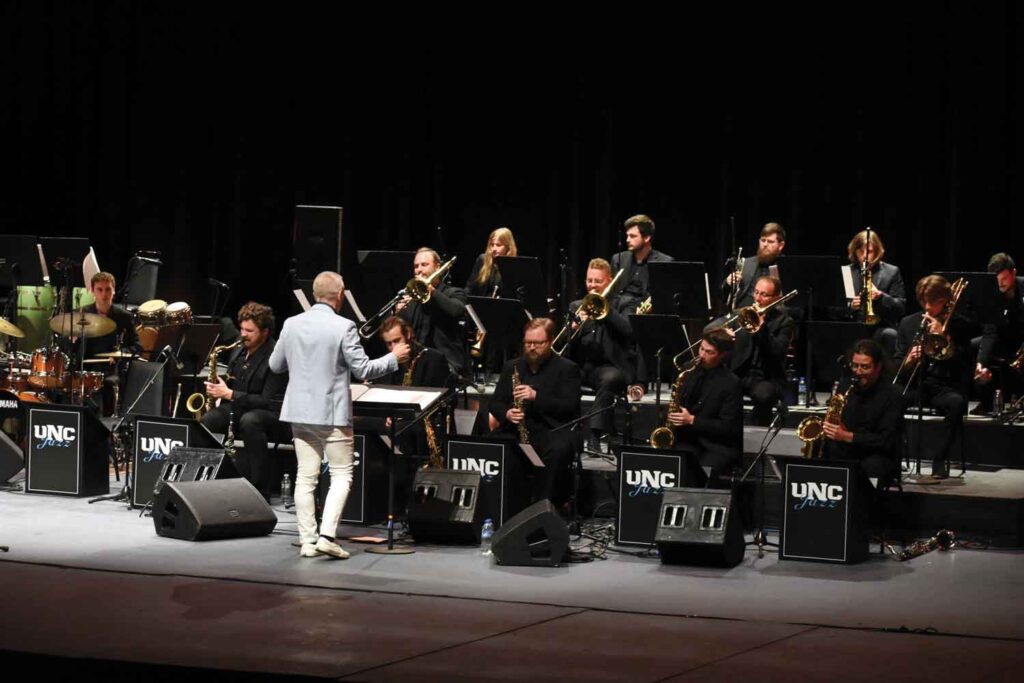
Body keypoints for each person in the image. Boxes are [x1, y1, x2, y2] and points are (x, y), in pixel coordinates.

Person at [270, 271, 410, 559]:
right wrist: (394, 359)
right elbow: (363, 370)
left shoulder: (292, 323)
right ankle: (327, 536)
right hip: (331, 414)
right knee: (342, 475)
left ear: (314, 294)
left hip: (299, 412)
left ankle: (308, 541)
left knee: (305, 478)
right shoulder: (344, 326)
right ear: (341, 295)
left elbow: (275, 365)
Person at [200, 302, 289, 502]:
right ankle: (214, 479)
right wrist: (218, 389)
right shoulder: (239, 349)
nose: (243, 334)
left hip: (273, 414)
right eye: (242, 329)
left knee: (250, 421)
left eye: (250, 330)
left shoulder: (275, 357)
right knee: (208, 421)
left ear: (265, 332)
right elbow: (233, 383)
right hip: (241, 406)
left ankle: (259, 490)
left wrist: (230, 394)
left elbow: (266, 400)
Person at [488, 318, 582, 506]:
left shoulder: (567, 369)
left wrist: (536, 397)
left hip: (550, 431)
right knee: (492, 446)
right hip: (516, 432)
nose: (531, 348)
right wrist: (507, 413)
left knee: (557, 451)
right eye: (528, 343)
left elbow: (570, 407)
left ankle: (542, 508)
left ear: (550, 342)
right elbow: (495, 403)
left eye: (538, 343)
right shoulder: (512, 367)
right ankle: (500, 507)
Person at [894, 275, 970, 480]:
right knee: (891, 398)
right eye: (923, 302)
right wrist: (909, 360)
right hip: (917, 383)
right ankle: (895, 456)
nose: (928, 307)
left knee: (956, 404)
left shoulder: (961, 325)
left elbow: (963, 364)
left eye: (933, 302)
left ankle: (940, 459)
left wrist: (944, 338)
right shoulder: (908, 323)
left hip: (944, 386)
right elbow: (897, 366)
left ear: (945, 300)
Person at [561, 258, 636, 453]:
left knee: (610, 381)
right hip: (581, 364)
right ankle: (566, 433)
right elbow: (564, 344)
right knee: (561, 376)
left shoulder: (624, 303)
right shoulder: (576, 306)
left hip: (609, 366)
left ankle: (594, 437)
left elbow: (628, 330)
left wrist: (605, 309)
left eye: (597, 281)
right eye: (589, 280)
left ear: (609, 281)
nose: (592, 285)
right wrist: (575, 327)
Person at [822, 339, 905, 488]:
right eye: (855, 365)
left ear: (878, 367)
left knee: (871, 466)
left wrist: (847, 436)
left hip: (878, 454)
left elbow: (885, 441)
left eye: (865, 367)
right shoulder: (845, 385)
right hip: (849, 448)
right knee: (826, 454)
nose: (858, 372)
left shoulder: (893, 395)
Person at [666, 328, 743, 483]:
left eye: (709, 352)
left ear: (722, 355)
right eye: (701, 349)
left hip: (717, 446)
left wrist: (692, 420)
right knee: (672, 466)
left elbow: (729, 429)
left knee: (699, 473)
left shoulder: (731, 383)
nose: (701, 355)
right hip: (689, 440)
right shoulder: (689, 370)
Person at [728, 275, 797, 426]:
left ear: (776, 298)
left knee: (764, 396)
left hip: (766, 377)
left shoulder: (785, 322)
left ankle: (757, 428)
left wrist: (762, 327)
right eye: (756, 292)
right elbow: (711, 328)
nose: (757, 299)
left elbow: (778, 352)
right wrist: (722, 334)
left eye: (764, 295)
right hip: (740, 372)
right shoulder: (741, 314)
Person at [396, 247, 469, 377]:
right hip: (415, 361)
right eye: (416, 266)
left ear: (437, 267)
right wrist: (398, 313)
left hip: (445, 361)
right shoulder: (412, 297)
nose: (419, 270)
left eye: (424, 265)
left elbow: (457, 311)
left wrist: (431, 290)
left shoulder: (453, 292)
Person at [843, 229, 906, 354]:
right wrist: (850, 306)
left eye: (870, 252)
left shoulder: (891, 272)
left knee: (891, 335)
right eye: (861, 251)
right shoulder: (847, 272)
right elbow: (832, 308)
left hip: (881, 326)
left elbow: (901, 307)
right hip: (852, 325)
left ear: (877, 251)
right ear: (854, 252)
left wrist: (881, 297)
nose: (865, 256)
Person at [975, 253, 1024, 413]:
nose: (1000, 284)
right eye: (996, 279)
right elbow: (990, 330)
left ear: (1014, 273)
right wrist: (981, 361)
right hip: (1002, 337)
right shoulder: (992, 293)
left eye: (1004, 279)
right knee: (973, 348)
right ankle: (986, 401)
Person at [609, 214, 674, 315]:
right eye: (627, 235)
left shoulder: (664, 261)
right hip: (620, 311)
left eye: (633, 236)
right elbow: (613, 293)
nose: (627, 240)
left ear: (647, 238)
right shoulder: (618, 259)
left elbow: (662, 298)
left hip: (646, 315)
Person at [723, 222, 786, 310]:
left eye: (770, 241)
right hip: (740, 314)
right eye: (763, 240)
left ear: (781, 245)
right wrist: (728, 283)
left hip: (771, 318)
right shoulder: (746, 263)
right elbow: (724, 295)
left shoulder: (786, 267)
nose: (765, 244)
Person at [465, 227, 517, 297]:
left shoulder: (514, 265)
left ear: (508, 247)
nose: (494, 249)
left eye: (498, 245)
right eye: (492, 245)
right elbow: (470, 287)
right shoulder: (482, 259)